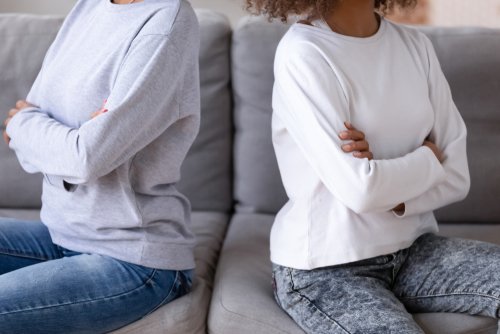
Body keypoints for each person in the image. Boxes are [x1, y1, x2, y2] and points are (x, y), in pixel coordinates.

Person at [246, 0, 500, 333]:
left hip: (412, 250)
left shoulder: (415, 46)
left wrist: (385, 181)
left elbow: (457, 176)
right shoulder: (304, 54)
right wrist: (426, 158)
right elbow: (361, 192)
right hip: (327, 269)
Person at [1, 0, 200, 332]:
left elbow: (85, 158)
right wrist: (66, 137)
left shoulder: (166, 21)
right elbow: (20, 123)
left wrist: (53, 137)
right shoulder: (89, 6)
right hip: (62, 234)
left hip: (135, 260)